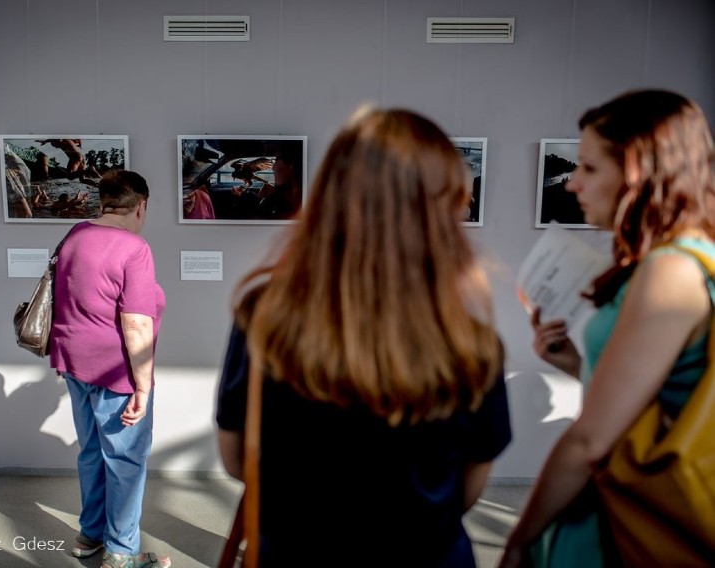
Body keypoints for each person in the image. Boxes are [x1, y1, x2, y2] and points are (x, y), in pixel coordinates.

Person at [215, 105, 511, 567]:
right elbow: (467, 489)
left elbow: (236, 460)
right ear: (443, 209)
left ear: (331, 197)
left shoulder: (264, 316)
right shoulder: (470, 341)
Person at [500, 89, 715, 567]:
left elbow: (589, 440)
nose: (574, 184)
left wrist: (520, 538)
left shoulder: (669, 271)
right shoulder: (684, 261)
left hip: (622, 522)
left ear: (639, 172)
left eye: (590, 168)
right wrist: (575, 365)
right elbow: (659, 397)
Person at [48, 170, 171, 568]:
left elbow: (66, 300)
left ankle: (90, 535)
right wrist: (144, 387)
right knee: (126, 462)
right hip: (115, 371)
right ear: (141, 206)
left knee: (91, 453)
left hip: (75, 364)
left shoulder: (74, 236)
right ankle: (121, 553)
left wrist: (62, 355)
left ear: (102, 201)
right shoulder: (134, 248)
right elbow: (137, 324)